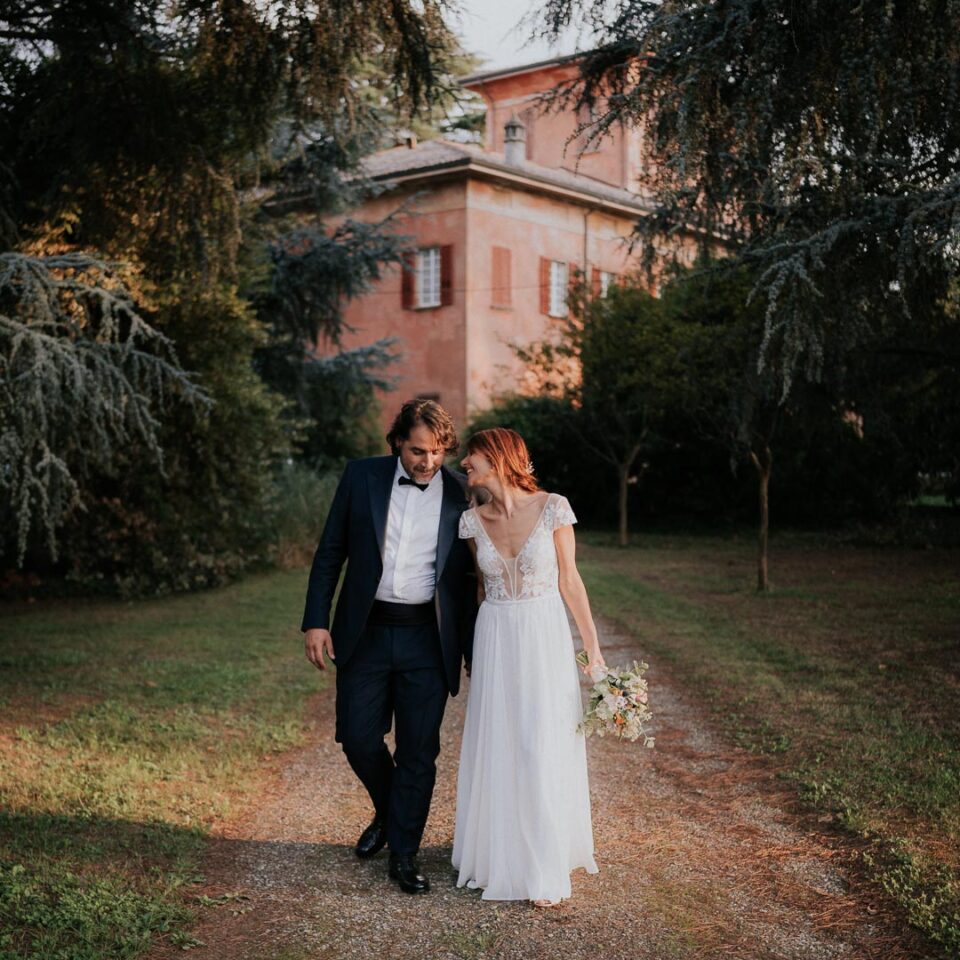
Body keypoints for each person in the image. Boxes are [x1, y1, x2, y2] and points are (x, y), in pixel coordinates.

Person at [301, 398, 476, 895]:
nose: (428, 462)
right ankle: (389, 807)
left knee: (419, 751)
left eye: (439, 452)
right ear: (398, 441)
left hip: (428, 636)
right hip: (367, 630)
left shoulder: (464, 494)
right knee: (356, 736)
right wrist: (316, 620)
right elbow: (330, 552)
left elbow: (473, 578)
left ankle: (404, 853)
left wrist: (474, 649)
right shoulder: (362, 477)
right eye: (419, 451)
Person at [452, 427, 605, 907]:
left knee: (540, 740)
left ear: (495, 458)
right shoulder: (471, 523)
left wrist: (594, 650)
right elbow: (479, 589)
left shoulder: (553, 507)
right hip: (496, 635)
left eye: (470, 458)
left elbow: (571, 581)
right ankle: (499, 855)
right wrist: (470, 655)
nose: (464, 467)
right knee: (502, 740)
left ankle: (542, 861)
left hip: (542, 635)